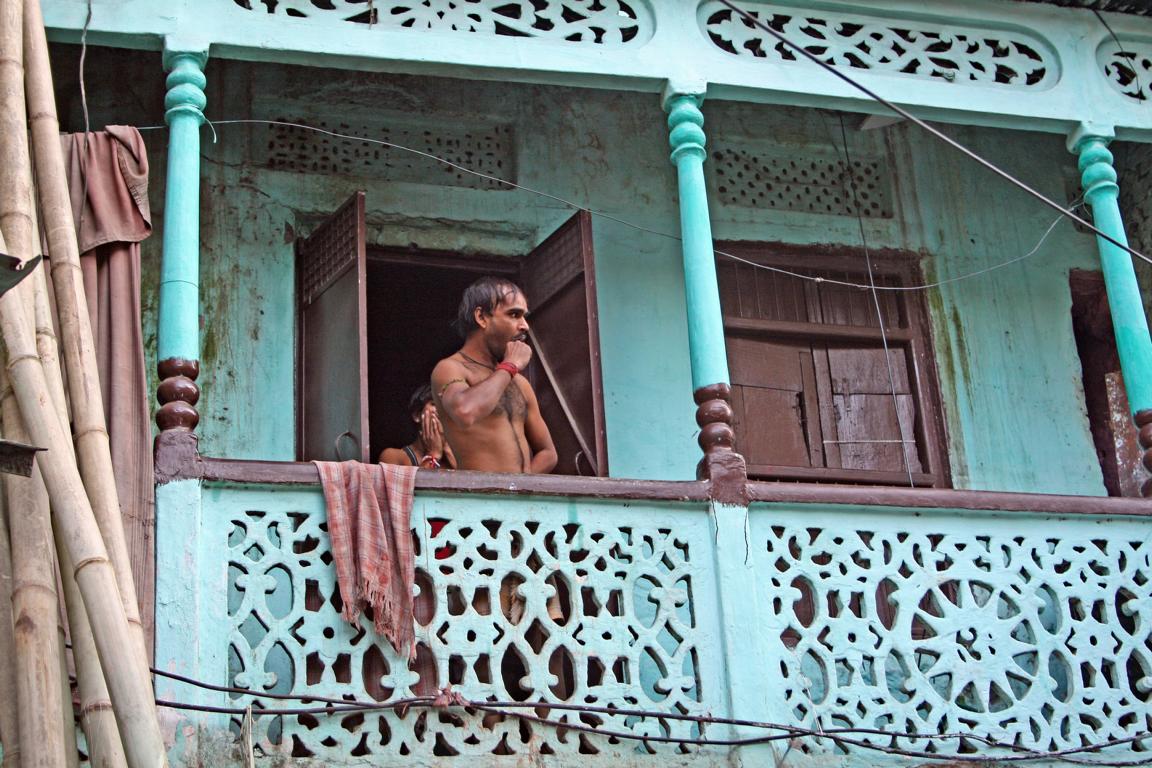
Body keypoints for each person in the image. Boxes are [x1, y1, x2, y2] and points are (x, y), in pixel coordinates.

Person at [431, 276, 557, 474]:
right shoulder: (450, 368)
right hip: (479, 500)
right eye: (514, 315)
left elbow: (548, 453)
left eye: (524, 316)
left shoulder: (520, 383)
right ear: (481, 317)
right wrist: (509, 366)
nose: (525, 325)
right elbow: (465, 412)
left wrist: (519, 488)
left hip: (521, 501)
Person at [378, 384, 456, 470]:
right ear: (417, 415)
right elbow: (421, 483)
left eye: (446, 407)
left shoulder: (454, 460)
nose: (442, 411)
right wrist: (433, 455)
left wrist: (447, 447)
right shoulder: (395, 457)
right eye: (434, 404)